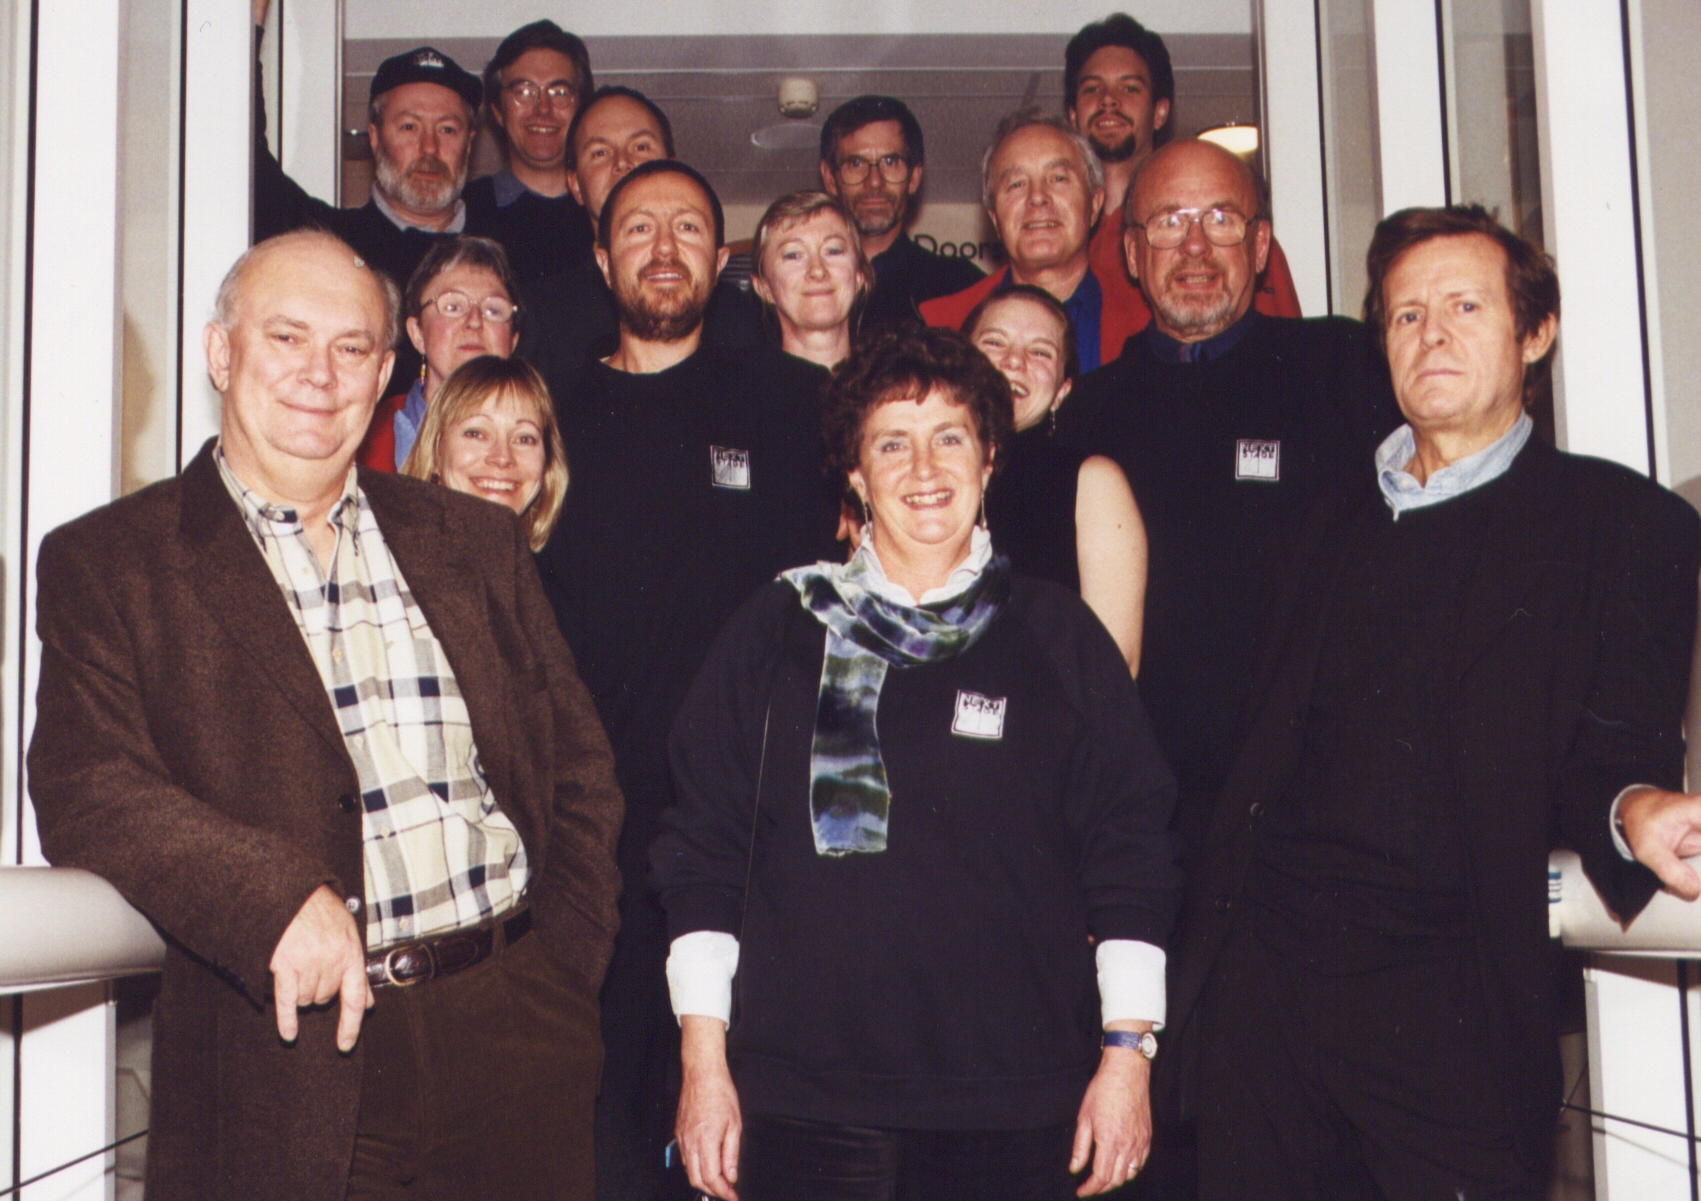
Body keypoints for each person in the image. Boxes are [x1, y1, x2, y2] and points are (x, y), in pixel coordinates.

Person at [26, 230, 622, 1201]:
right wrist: (272, 894)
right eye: (287, 337)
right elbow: (87, 785)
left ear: (387, 371)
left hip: (517, 1031)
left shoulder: (470, 539)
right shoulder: (114, 561)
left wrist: (562, 976)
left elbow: (577, 771)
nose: (319, 374)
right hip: (287, 1054)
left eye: (351, 348)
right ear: (222, 352)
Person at [1167, 204, 1701, 1200]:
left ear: (1535, 333)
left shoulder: (1626, 525)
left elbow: (1615, 745)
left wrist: (1637, 808)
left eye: (1464, 304)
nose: (1432, 333)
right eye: (1406, 315)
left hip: (1450, 998)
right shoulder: (1317, 519)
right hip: (1269, 995)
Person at [654, 323, 1181, 1201]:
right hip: (803, 1099)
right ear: (855, 475)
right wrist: (702, 1065)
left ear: (987, 463)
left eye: (950, 438)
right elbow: (701, 854)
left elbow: (1131, 852)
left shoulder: (1057, 636)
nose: (923, 468)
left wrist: (1127, 1057)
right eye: (891, 443)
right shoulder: (775, 629)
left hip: (1015, 1099)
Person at [531, 159, 838, 1201]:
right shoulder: (548, 417)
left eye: (690, 230)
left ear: (724, 259)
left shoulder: (802, 406)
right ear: (600, 256)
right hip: (590, 838)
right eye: (639, 230)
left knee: (762, 1134)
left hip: (765, 837)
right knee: (603, 1128)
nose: (664, 251)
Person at [1060, 138, 1398, 873]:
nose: (1193, 245)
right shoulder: (1085, 413)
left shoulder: (1346, 368)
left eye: (1220, 218)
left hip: (1321, 806)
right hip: (1150, 811)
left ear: (1260, 242)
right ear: (1129, 251)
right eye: (1168, 221)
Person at [253, 37, 484, 386]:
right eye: (409, 126)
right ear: (375, 138)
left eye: (447, 129)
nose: (429, 147)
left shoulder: (507, 247)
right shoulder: (331, 243)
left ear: (469, 143)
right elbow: (245, 160)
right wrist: (250, 23)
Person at [520, 88, 764, 388]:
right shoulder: (543, 314)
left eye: (641, 146)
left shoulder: (737, 317)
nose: (622, 163)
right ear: (575, 184)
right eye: (600, 152)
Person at [1063, 13, 1302, 319]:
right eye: (1092, 89)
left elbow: (1288, 353)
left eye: (1130, 88)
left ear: (1160, 112)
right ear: (1072, 115)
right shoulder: (1061, 243)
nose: (1109, 101)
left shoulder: (1232, 236)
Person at [966, 285, 1145, 673]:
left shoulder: (1091, 482)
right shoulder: (916, 475)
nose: (1014, 362)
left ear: (1063, 390)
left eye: (1040, 352)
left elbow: (1113, 669)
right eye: (995, 342)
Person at [919, 112, 1136, 372]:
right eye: (1017, 184)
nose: (1037, 197)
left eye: (1058, 178)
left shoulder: (1148, 318)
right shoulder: (941, 331)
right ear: (995, 219)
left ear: (1095, 204)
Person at [816, 94, 983, 326]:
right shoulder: (804, 287)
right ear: (830, 179)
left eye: (891, 162)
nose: (874, 181)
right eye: (856, 164)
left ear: (914, 177)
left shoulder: (959, 286)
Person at [359, 235, 521, 472]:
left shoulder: (539, 438)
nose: (475, 321)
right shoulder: (367, 433)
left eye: (493, 310)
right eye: (452, 306)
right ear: (417, 334)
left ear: (513, 341)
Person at [463, 20, 597, 288]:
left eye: (559, 92)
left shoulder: (607, 209)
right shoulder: (464, 211)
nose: (543, 109)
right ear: (498, 111)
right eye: (524, 92)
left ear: (581, 109)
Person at [403, 353, 569, 552]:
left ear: (548, 464)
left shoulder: (542, 576)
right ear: (435, 450)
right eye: (476, 433)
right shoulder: (393, 566)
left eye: (524, 438)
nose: (502, 457)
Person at [749, 190, 870, 369]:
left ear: (860, 276)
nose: (817, 270)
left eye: (833, 250)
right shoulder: (741, 392)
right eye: (793, 255)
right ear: (764, 288)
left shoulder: (896, 387)